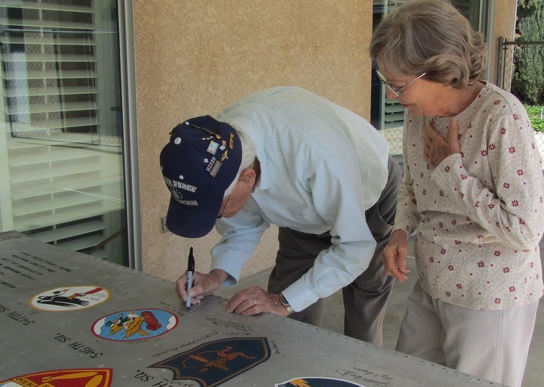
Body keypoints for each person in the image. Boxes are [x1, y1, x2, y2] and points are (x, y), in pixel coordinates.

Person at [370, 0, 544, 387]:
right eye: (387, 83)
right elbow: (413, 186)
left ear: (439, 68)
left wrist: (453, 172)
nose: (390, 96)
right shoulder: (422, 116)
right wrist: (400, 230)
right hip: (433, 282)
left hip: (489, 296)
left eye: (398, 85)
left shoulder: (501, 117)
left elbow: (525, 228)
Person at [160, 87, 402, 346]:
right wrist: (215, 276)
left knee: (364, 299)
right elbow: (240, 226)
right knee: (283, 320)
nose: (217, 216)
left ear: (248, 178)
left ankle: (364, 373)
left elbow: (355, 249)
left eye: (216, 209)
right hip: (301, 204)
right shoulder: (220, 153)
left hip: (367, 190)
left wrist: (283, 301)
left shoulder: (317, 154)